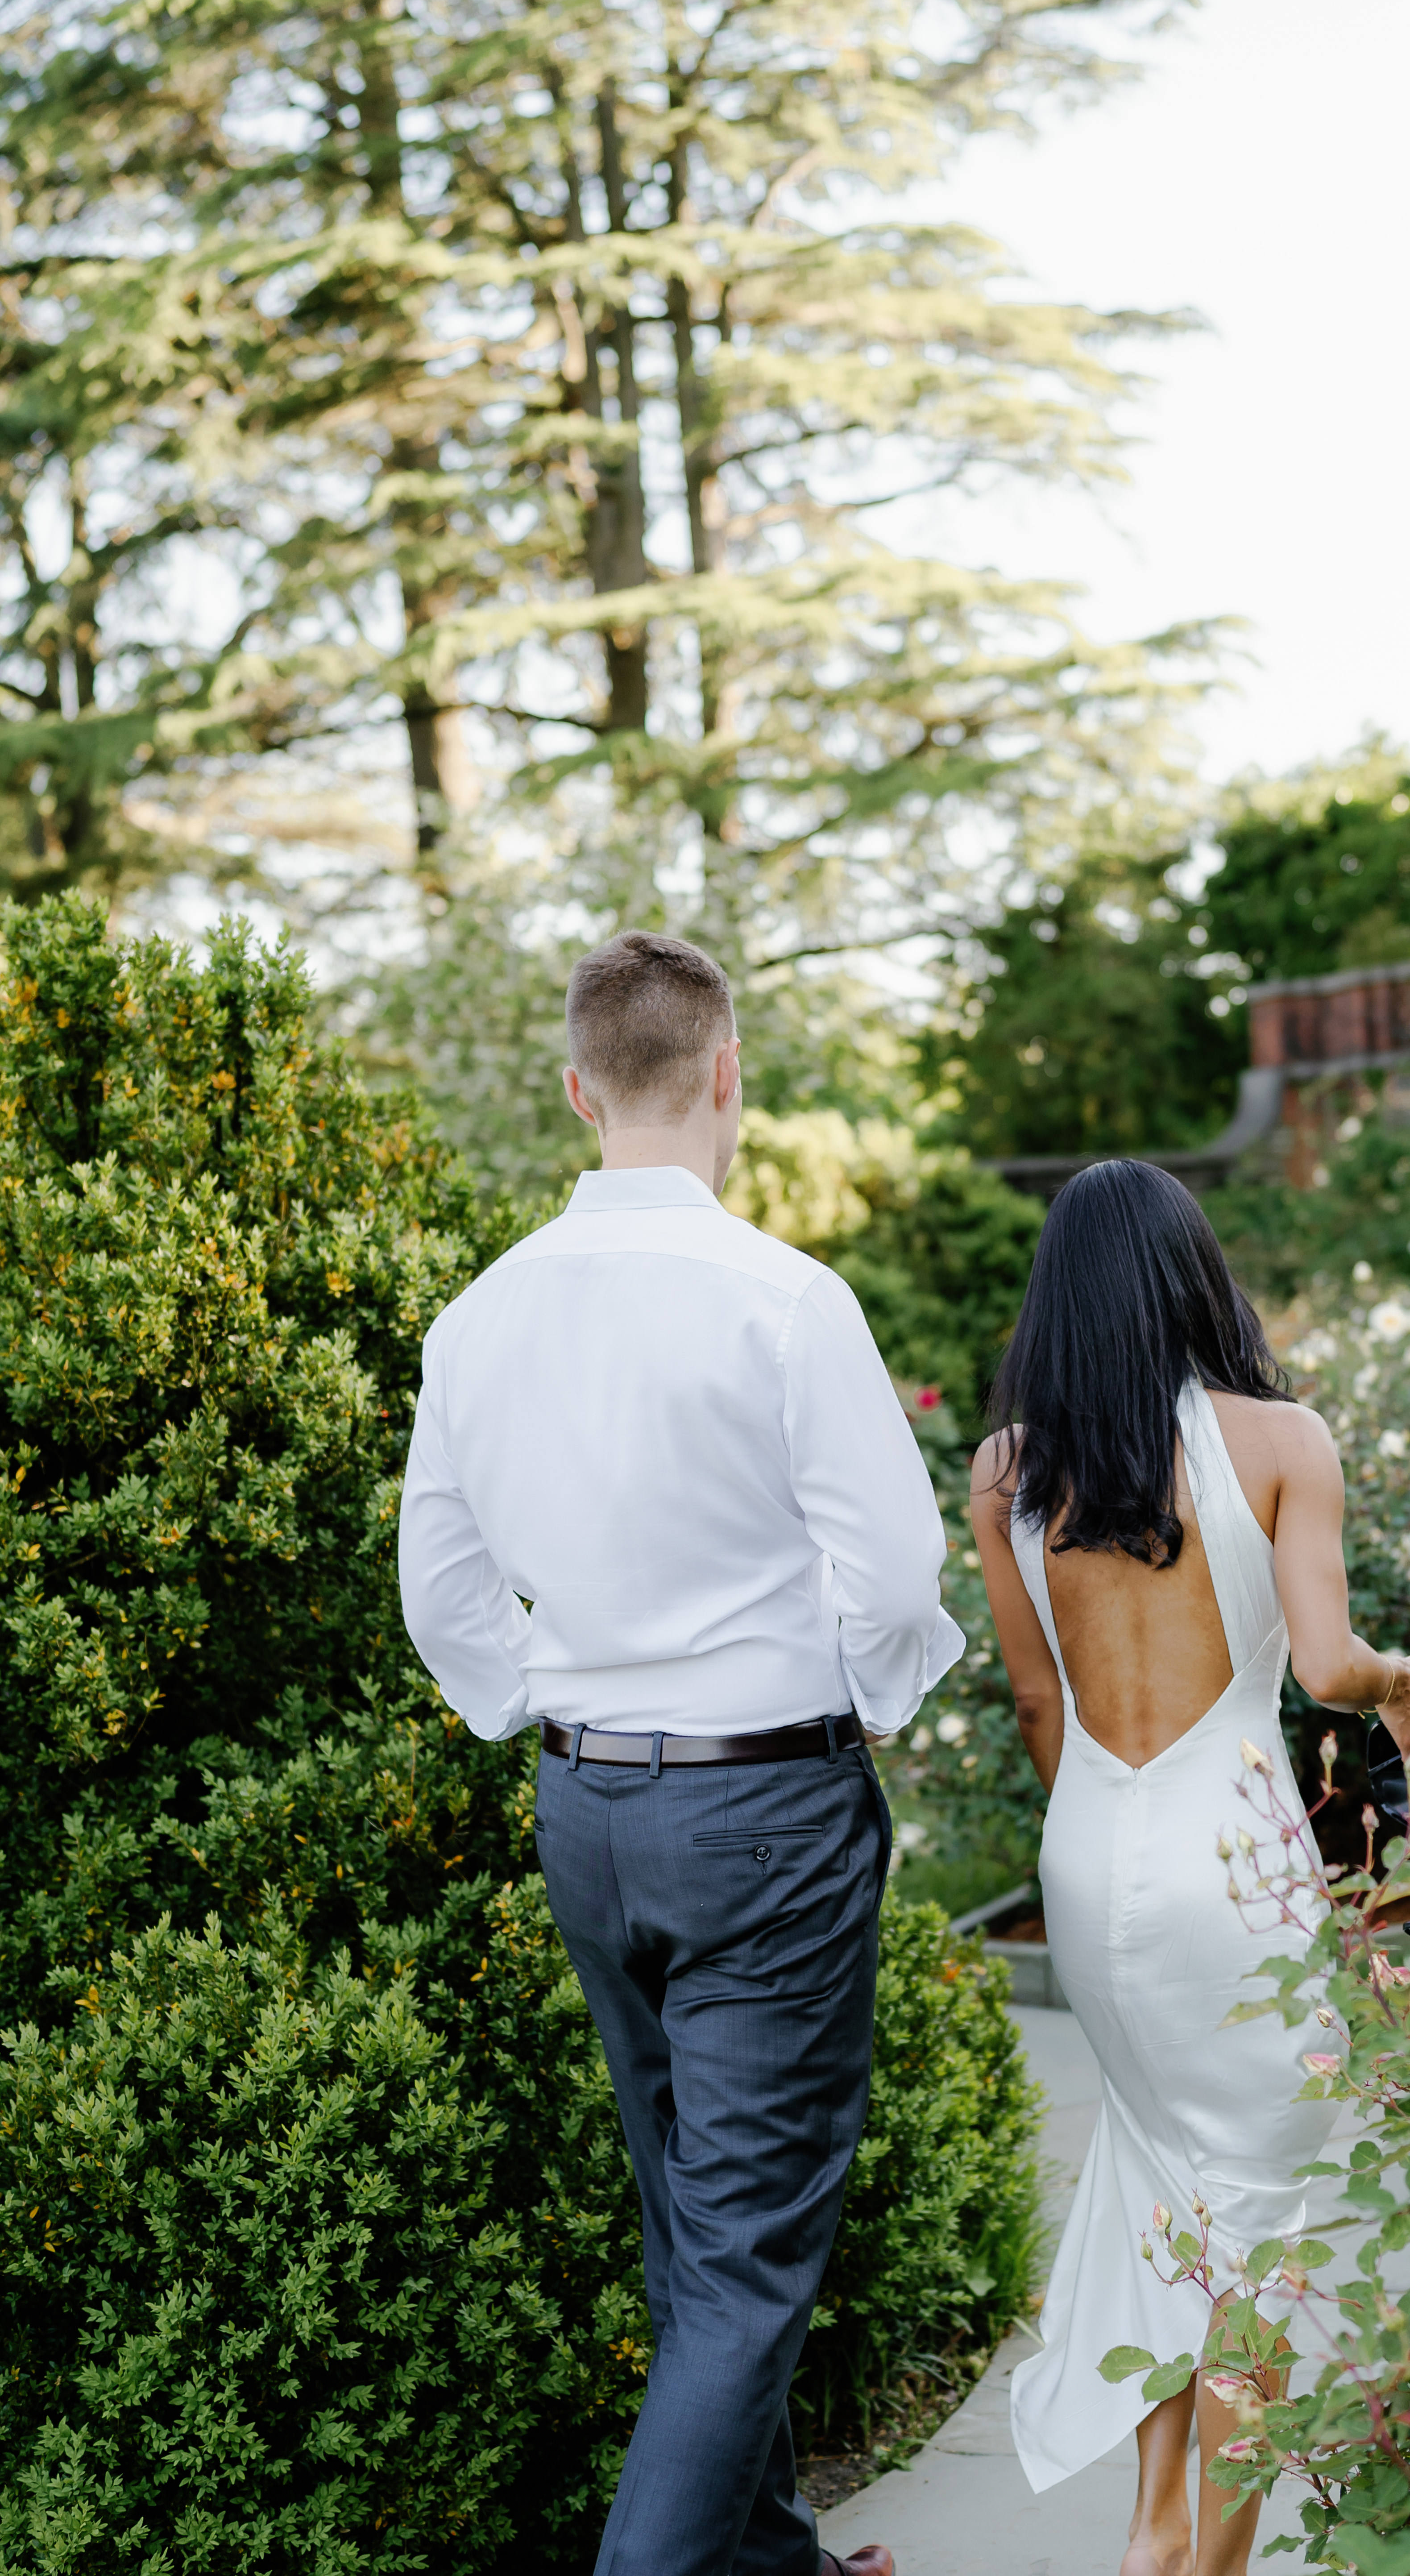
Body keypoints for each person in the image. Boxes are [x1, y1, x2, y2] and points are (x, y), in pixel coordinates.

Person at [399, 929, 962, 2576]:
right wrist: (864, 1702)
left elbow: (439, 1588)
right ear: (728, 1078)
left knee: (694, 2239)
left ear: (579, 1090)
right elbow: (898, 1570)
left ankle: (772, 2565)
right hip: (763, 1806)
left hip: (589, 1810)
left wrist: (540, 1708)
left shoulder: (475, 1319)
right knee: (744, 2261)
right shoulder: (787, 1300)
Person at [967, 1160, 1410, 2576]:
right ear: (1197, 1276)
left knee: (1156, 2174)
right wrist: (1401, 1681)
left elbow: (1035, 1707)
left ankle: (1149, 2530)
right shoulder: (1280, 1439)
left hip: (1089, 1856)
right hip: (1230, 1859)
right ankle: (1214, 2566)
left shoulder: (1007, 1473)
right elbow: (1323, 1666)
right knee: (1263, 2214)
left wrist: (1108, 1836)